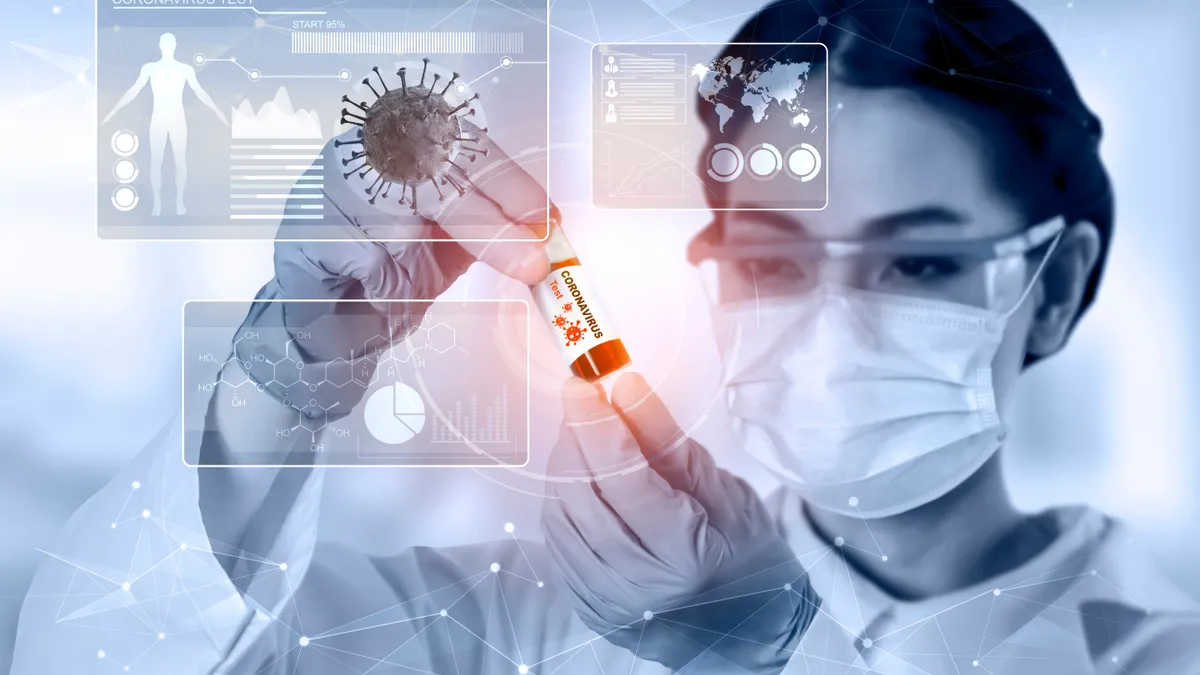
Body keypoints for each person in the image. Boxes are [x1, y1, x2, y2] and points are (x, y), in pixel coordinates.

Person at [14, 1, 1200, 673]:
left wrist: (757, 652)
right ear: (717, 280)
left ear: (1054, 286)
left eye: (919, 259)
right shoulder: (527, 619)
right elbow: (96, 657)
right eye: (779, 259)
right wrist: (288, 369)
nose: (839, 319)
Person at [101, 32, 230, 217]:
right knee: (157, 163)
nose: (168, 45)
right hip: (159, 120)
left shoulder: (185, 70)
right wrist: (114, 110)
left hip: (177, 120)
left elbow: (200, 92)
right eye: (166, 42)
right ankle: (158, 205)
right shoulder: (150, 69)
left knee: (179, 163)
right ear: (161, 45)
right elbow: (134, 90)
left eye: (170, 43)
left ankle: (179, 203)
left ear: (173, 45)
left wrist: (218, 112)